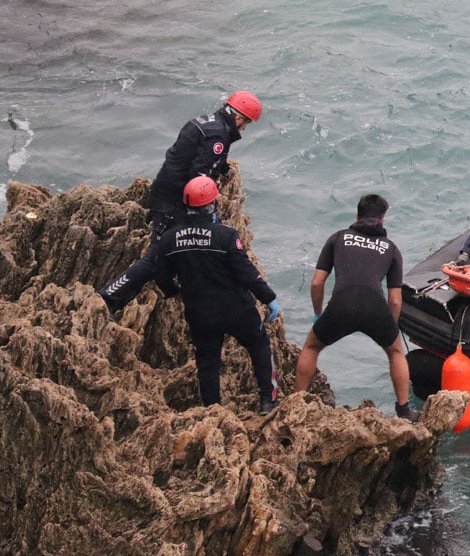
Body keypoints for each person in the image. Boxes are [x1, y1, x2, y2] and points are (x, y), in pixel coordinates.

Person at [100, 91, 263, 312]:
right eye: (246, 124)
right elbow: (199, 175)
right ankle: (109, 297)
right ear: (238, 117)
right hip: (174, 201)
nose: (244, 129)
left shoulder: (207, 122)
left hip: (166, 189)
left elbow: (198, 155)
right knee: (156, 257)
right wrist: (207, 212)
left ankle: (166, 286)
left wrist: (222, 167)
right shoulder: (218, 136)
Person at [153, 175, 280, 414]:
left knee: (208, 362)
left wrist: (175, 292)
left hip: (200, 313)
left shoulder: (170, 239)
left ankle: (212, 410)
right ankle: (267, 401)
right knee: (259, 344)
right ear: (212, 204)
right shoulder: (225, 236)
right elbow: (246, 274)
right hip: (236, 309)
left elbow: (160, 274)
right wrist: (269, 298)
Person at [293, 194, 417, 421]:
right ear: (382, 220)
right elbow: (395, 300)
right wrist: (390, 326)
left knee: (311, 348)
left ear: (357, 215)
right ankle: (404, 410)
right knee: (395, 352)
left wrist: (318, 314)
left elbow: (317, 282)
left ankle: (297, 404)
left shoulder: (337, 238)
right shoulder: (391, 249)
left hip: (342, 302)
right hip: (374, 305)